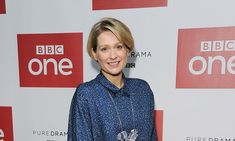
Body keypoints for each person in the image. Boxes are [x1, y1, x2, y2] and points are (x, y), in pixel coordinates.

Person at [67, 17, 157, 141]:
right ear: (94, 53)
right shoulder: (86, 94)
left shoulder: (142, 89)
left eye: (119, 47)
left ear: (127, 49)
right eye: (104, 49)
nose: (113, 55)